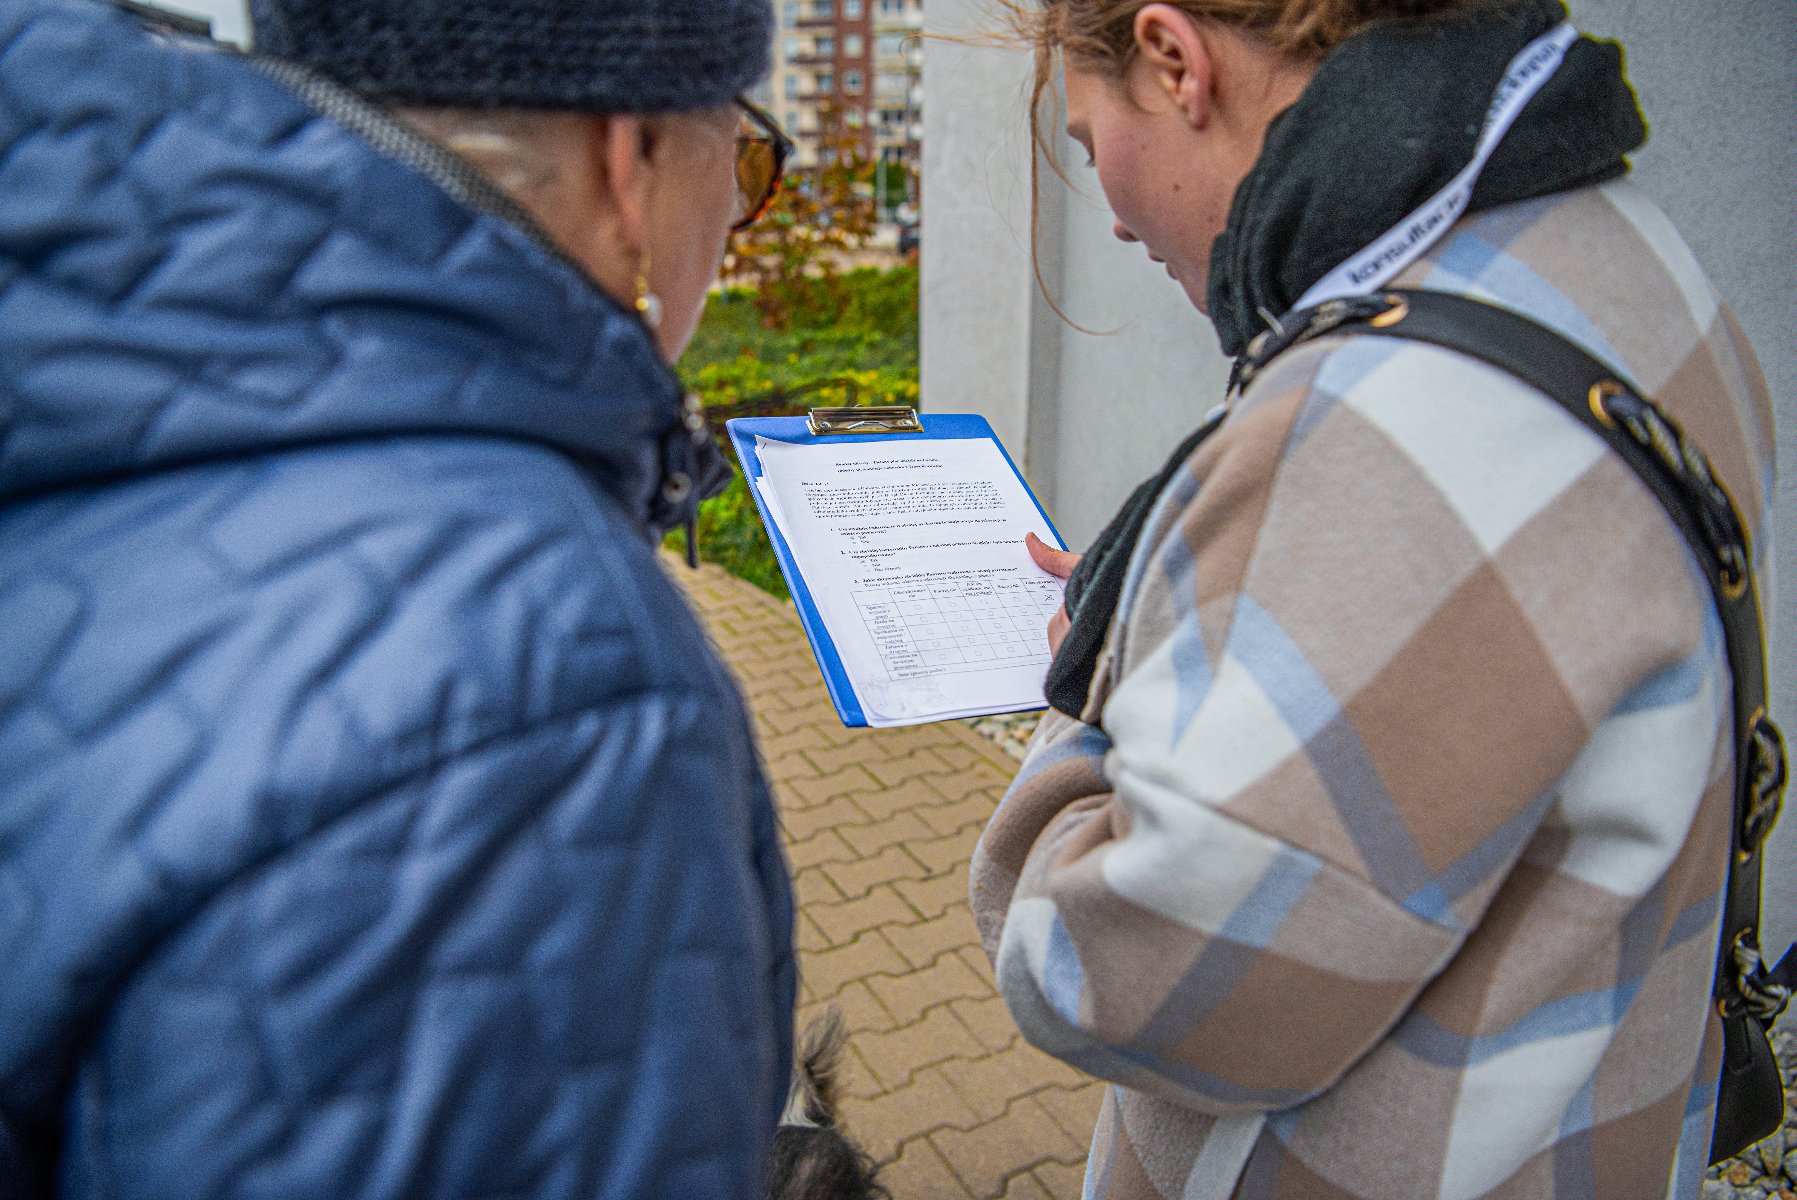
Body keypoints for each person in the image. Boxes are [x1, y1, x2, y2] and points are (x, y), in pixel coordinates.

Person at [968, 1, 1778, 1197]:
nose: (1118, 214)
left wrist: (1109, 675)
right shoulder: (1635, 260)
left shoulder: (1372, 422)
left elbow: (1105, 976)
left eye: (1093, 144)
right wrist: (1214, 589)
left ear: (1175, 60)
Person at [0, 0, 797, 1195]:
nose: (739, 214)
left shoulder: (100, 383)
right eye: (742, 157)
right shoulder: (555, 688)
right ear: (629, 160)